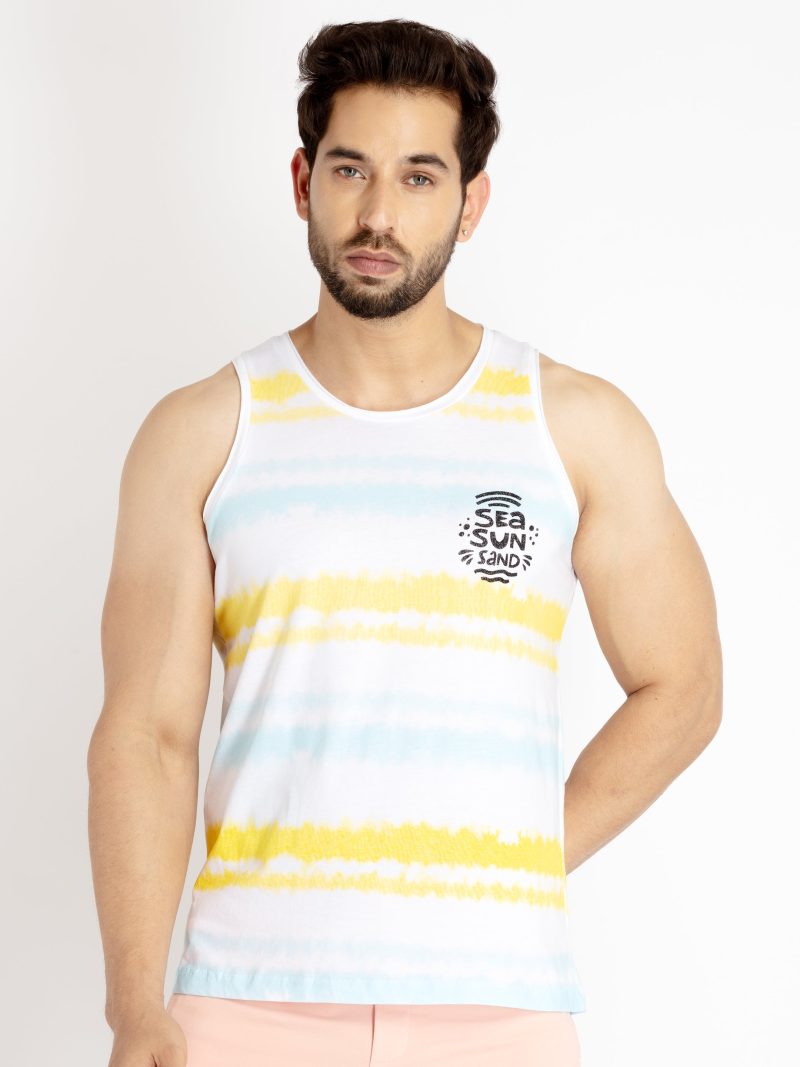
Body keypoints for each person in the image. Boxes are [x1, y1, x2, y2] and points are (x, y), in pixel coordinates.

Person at [87, 17, 723, 1067]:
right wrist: (132, 1006)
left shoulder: (574, 426)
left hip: (499, 1010)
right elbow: (146, 735)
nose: (378, 214)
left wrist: (521, 860)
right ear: (304, 181)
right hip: (249, 1003)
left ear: (471, 202)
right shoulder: (202, 432)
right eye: (350, 170)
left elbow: (684, 685)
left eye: (420, 177)